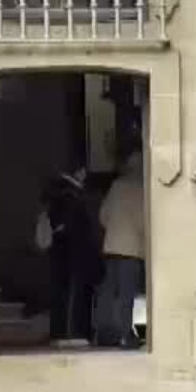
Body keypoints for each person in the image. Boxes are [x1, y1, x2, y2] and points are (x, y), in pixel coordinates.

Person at [36, 165, 100, 346]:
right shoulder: (72, 200)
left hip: (60, 253)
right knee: (75, 292)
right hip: (73, 254)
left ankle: (60, 331)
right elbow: (78, 229)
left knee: (61, 292)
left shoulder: (57, 199)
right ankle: (74, 332)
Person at [97, 135, 148, 350]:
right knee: (126, 294)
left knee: (109, 291)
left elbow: (103, 215)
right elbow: (146, 222)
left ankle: (104, 332)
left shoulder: (117, 185)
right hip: (132, 248)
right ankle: (126, 335)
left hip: (111, 246)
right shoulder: (144, 188)